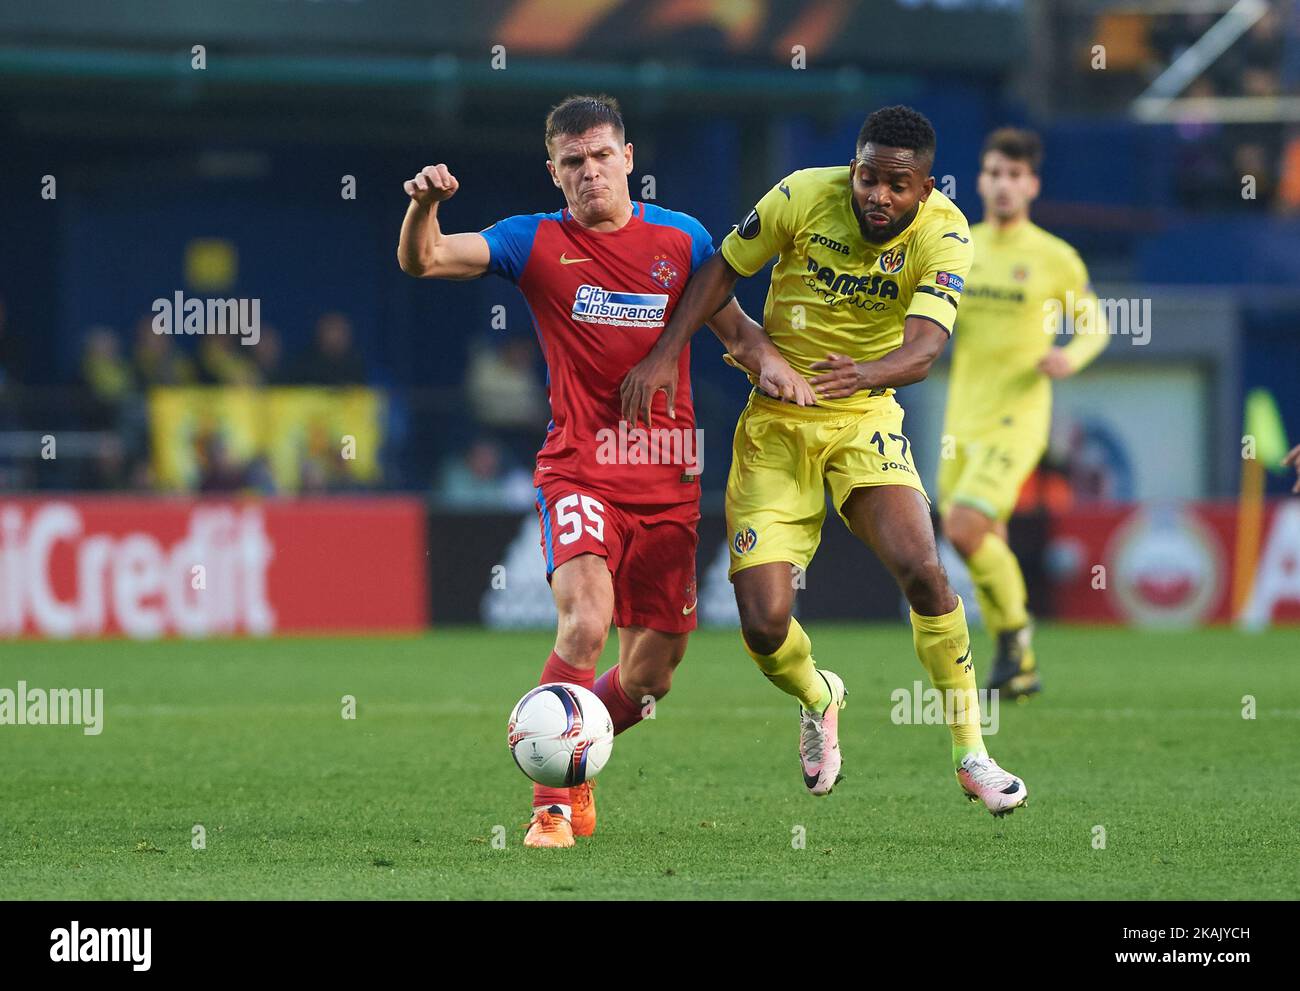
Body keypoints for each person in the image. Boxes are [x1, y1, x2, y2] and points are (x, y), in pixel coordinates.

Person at [397, 94, 811, 846]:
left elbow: (739, 331)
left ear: (628, 159)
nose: (589, 173)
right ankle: (551, 803)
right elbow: (424, 258)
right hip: (580, 471)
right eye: (572, 163)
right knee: (585, 621)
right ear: (553, 173)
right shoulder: (534, 242)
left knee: (651, 678)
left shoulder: (682, 239)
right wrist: (423, 207)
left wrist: (782, 372)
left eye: (600, 157)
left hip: (668, 483)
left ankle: (572, 753)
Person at [621, 106, 1028, 816]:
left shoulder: (947, 232)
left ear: (925, 188)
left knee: (925, 573)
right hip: (776, 427)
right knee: (764, 623)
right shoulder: (803, 194)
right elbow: (721, 268)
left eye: (896, 185)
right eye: (867, 177)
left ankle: (973, 753)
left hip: (862, 419)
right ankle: (820, 694)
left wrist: (860, 376)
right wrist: (665, 353)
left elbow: (925, 350)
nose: (877, 194)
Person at [939, 128, 1108, 699]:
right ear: (981, 180)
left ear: (1031, 184)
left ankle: (1013, 635)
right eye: (993, 173)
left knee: (964, 528)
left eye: (1014, 176)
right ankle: (1022, 666)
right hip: (962, 417)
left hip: (1018, 417)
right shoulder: (959, 244)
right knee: (984, 538)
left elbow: (1094, 324)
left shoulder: (1053, 258)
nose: (1003, 185)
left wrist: (1070, 354)